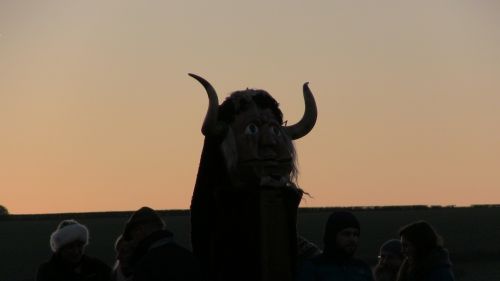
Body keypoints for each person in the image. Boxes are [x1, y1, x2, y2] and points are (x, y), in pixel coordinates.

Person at [122, 206, 201, 281]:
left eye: (133, 237)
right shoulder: (188, 258)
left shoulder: (146, 264)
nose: (133, 243)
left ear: (140, 230)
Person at [297, 211, 374, 281]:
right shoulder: (313, 268)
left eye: (356, 235)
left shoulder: (362, 268)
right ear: (332, 236)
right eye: (346, 234)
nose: (352, 239)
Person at [36, 219, 111, 281]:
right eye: (70, 247)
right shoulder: (47, 271)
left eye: (79, 246)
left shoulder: (97, 267)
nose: (76, 251)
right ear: (60, 249)